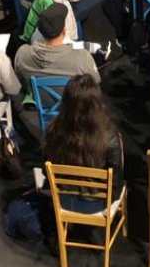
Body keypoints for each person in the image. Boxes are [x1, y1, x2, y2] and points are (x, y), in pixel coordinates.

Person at [43, 74, 123, 213]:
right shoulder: (110, 136)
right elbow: (116, 181)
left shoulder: (53, 130)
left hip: (62, 200)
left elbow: (45, 169)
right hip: (98, 204)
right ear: (97, 102)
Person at [13, 3, 100, 89]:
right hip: (73, 98)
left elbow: (20, 81)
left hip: (37, 97)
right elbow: (96, 82)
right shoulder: (83, 58)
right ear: (64, 31)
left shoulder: (22, 54)